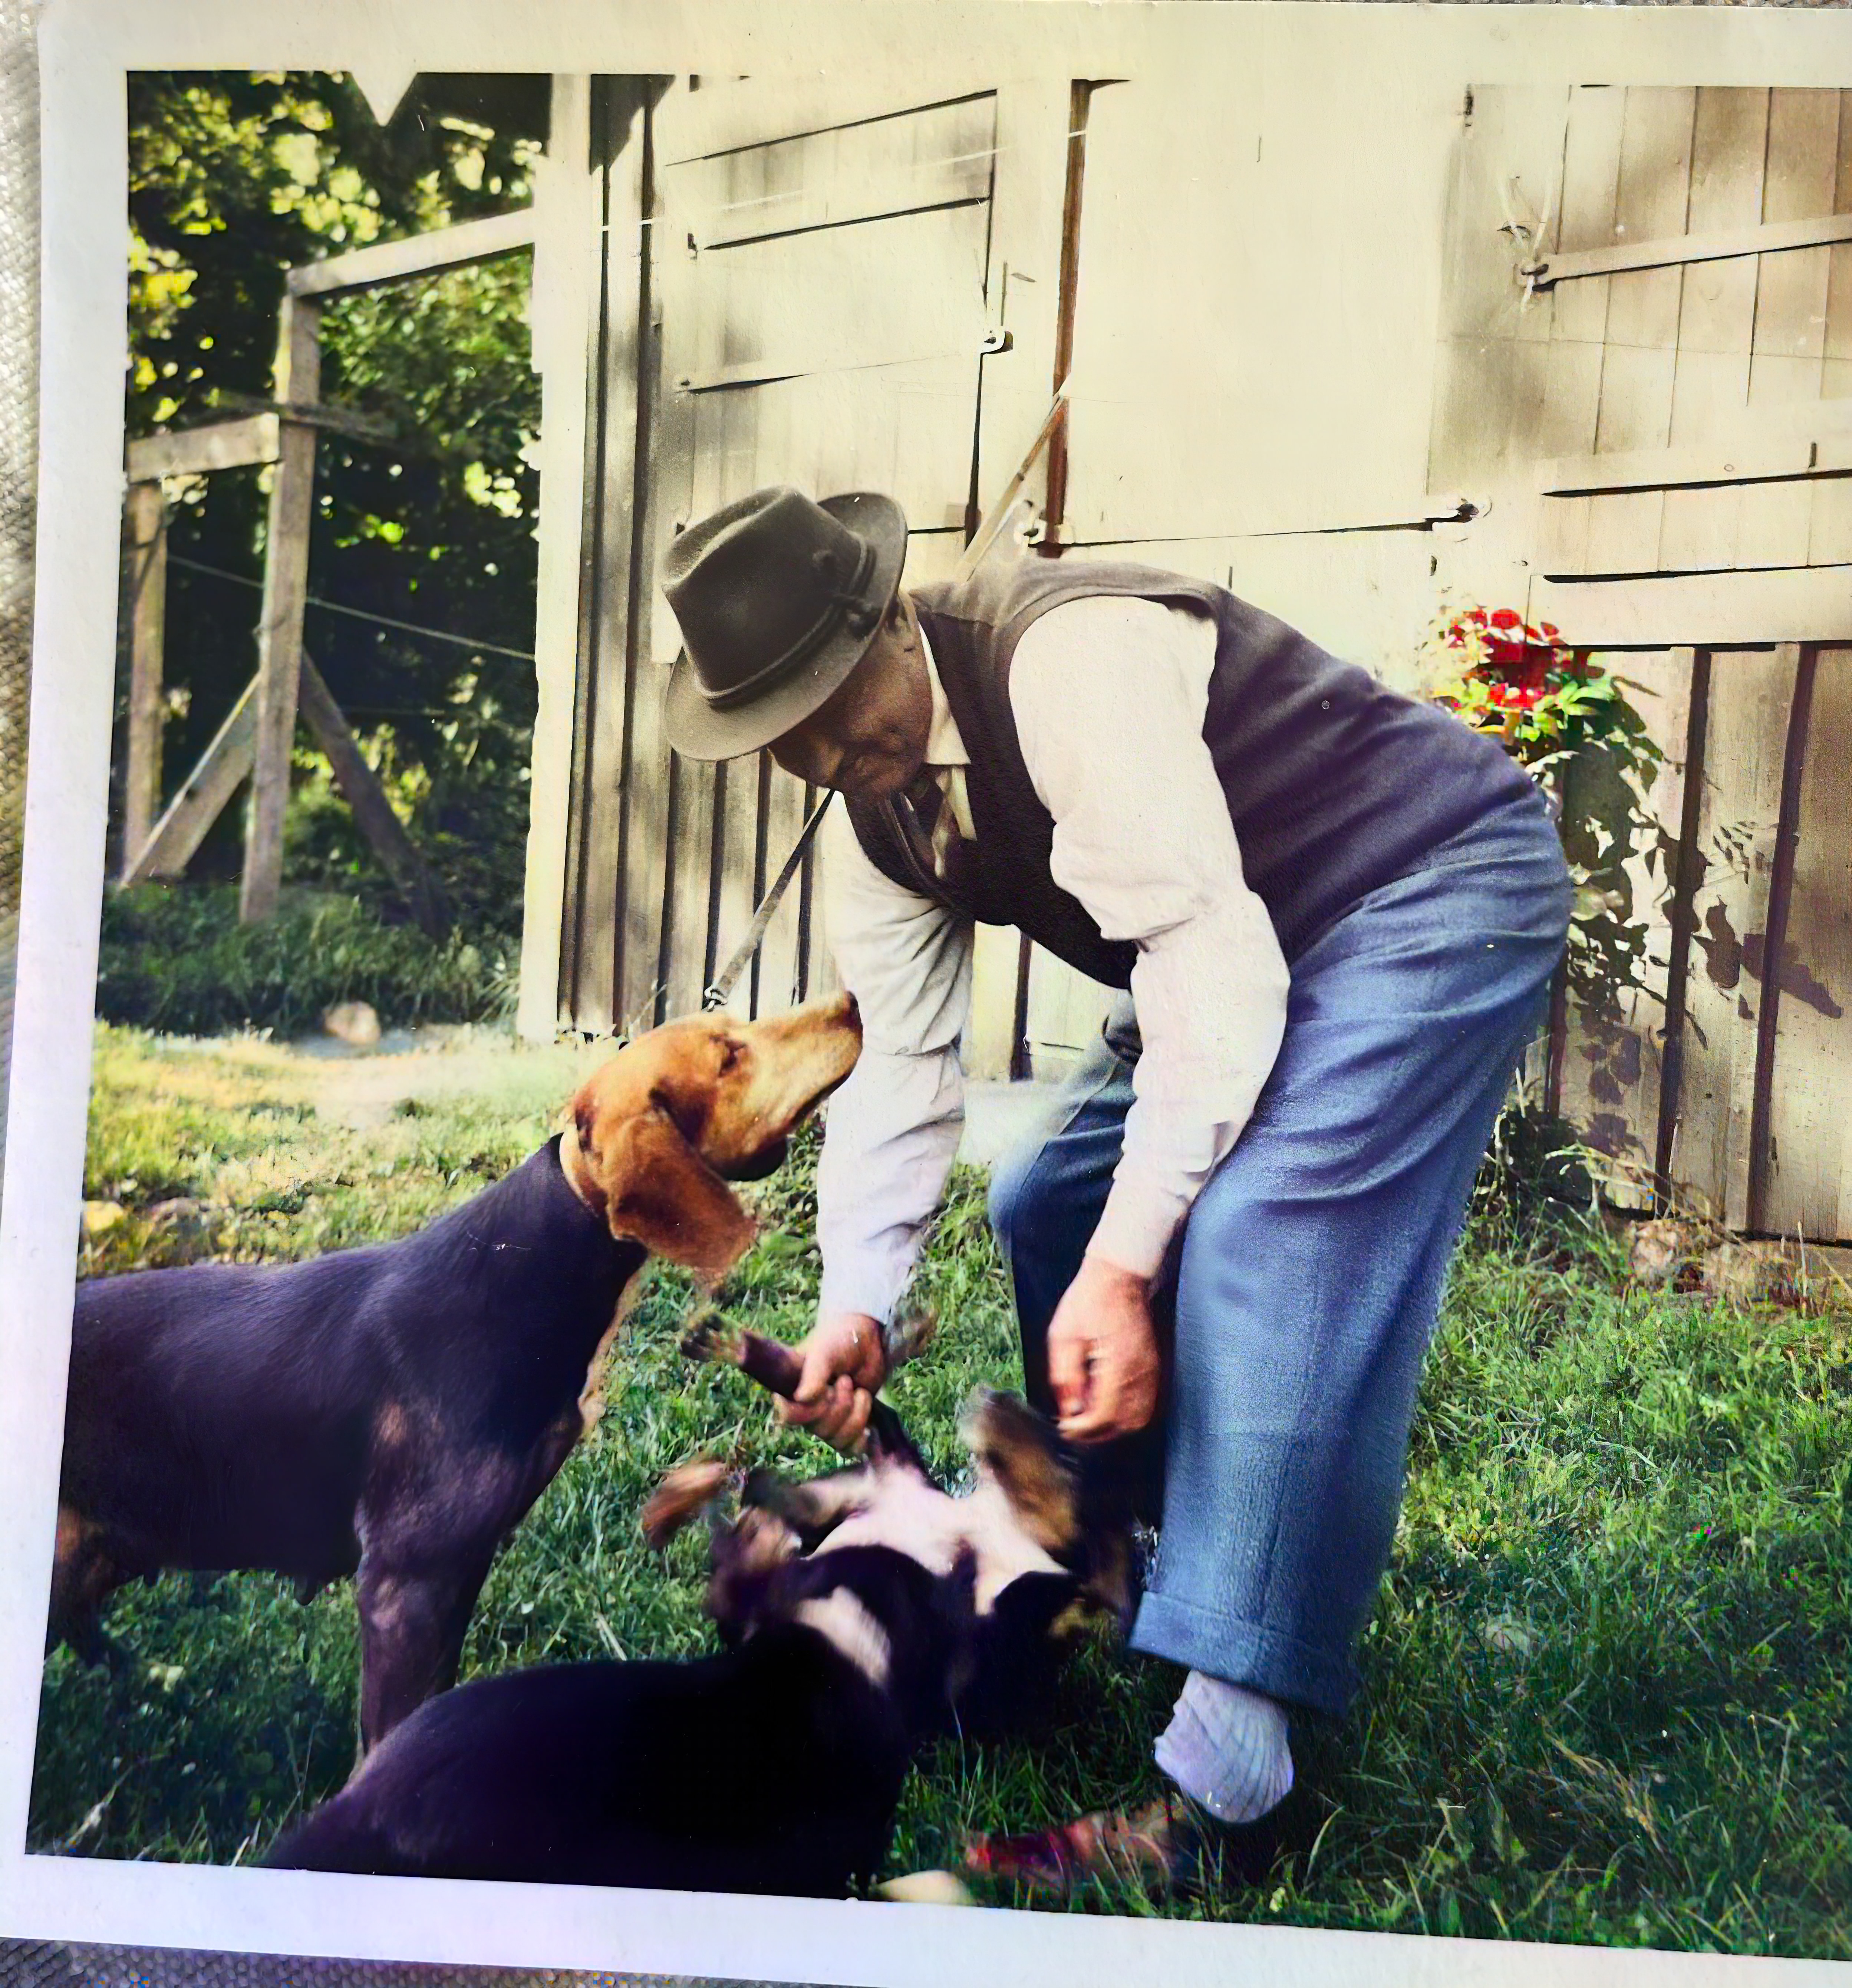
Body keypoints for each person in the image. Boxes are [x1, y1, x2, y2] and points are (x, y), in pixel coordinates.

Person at [658, 484, 1572, 1888]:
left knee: (1266, 1235)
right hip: (1237, 939)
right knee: (1044, 1201)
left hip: (1420, 884)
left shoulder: (1067, 660)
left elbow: (1214, 973)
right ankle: (1128, 1572)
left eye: (845, 702)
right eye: (796, 746)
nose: (843, 755)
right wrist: (860, 1305)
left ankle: (1225, 1793)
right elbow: (903, 1070)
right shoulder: (876, 819)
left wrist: (1130, 1268)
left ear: (894, 615)